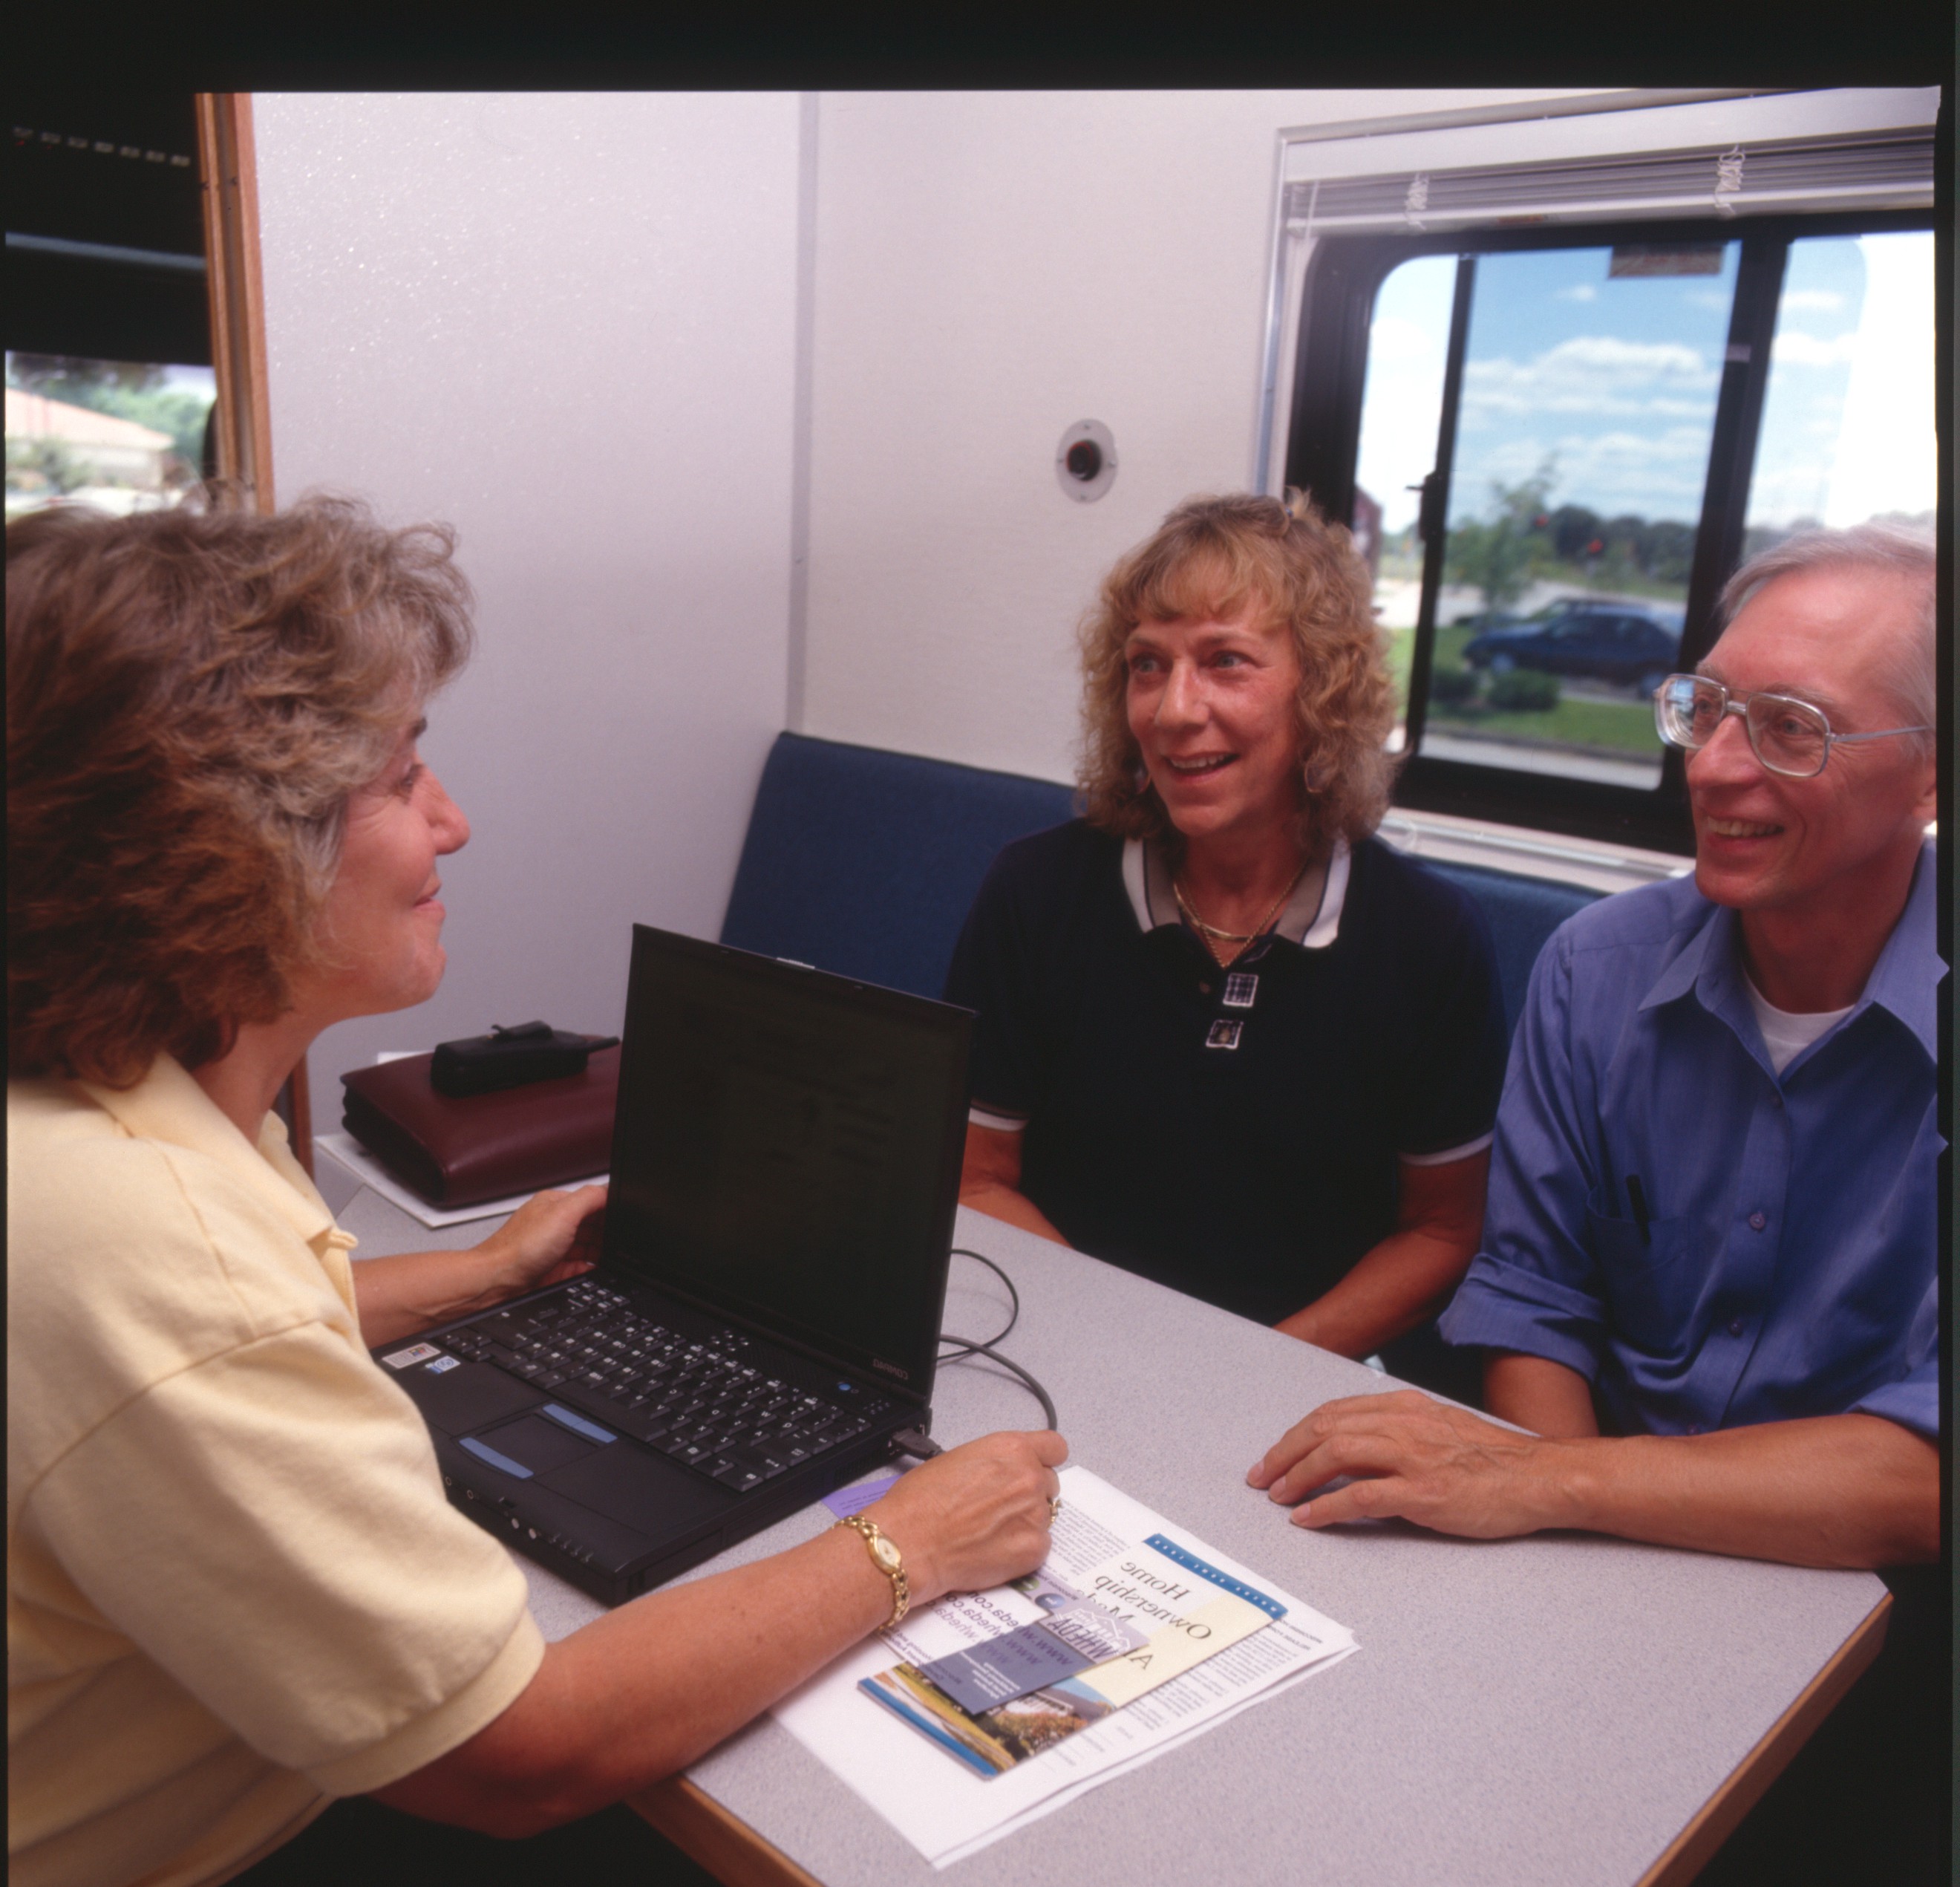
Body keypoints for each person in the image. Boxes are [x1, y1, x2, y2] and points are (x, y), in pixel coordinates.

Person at [7, 496, 1067, 1887]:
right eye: (398, 778)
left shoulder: (125, 1084)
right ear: (223, 842)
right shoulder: (154, 1247)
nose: (452, 820)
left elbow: (259, 1322)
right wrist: (904, 1546)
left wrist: (487, 1274)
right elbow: (524, 1756)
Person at [1247, 521, 1938, 1569]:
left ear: (1932, 780)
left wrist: (1542, 1484)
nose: (1711, 768)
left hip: (1870, 1613)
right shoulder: (1596, 972)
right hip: (1591, 1541)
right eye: (1706, 709)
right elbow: (1536, 1303)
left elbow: (1928, 1482)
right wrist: (1574, 1572)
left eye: (1793, 729)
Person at [945, 493, 1506, 1381]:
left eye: (1226, 662)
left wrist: (1244, 1373)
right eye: (1146, 665)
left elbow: (1443, 1230)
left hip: (1296, 1378)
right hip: (1055, 1348)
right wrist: (1117, 1349)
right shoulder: (1037, 892)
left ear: (1321, 688)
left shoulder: (1426, 938)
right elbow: (974, 1177)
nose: (1173, 710)